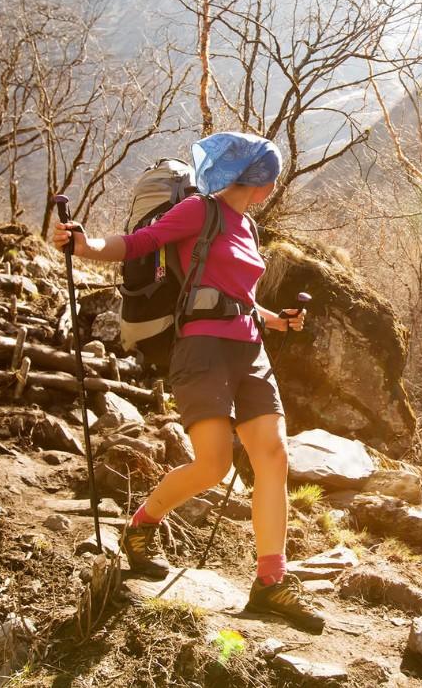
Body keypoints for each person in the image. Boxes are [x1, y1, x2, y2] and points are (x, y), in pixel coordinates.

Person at [51, 131, 324, 633]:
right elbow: (138, 244)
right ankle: (141, 527)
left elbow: (234, 292)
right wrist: (84, 244)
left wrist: (273, 318)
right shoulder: (200, 211)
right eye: (271, 176)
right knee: (214, 464)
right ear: (261, 180)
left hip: (250, 349)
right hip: (201, 350)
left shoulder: (248, 227)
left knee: (273, 456)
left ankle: (270, 582)